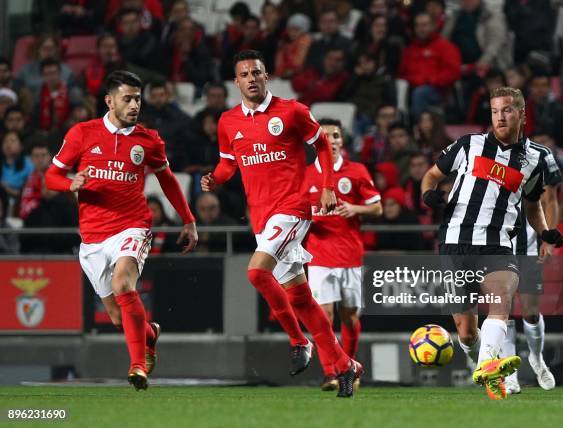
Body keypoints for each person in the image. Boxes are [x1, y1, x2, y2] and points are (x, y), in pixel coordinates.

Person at [201, 50, 362, 397]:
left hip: (292, 208)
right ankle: (345, 364)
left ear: (266, 76)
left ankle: (297, 340)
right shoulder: (229, 122)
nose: (251, 79)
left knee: (257, 273)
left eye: (256, 73)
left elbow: (321, 144)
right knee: (302, 299)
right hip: (260, 216)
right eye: (244, 74)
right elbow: (229, 163)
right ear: (236, 82)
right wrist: (214, 179)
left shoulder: (292, 111)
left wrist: (328, 187)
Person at [45, 70, 198, 391]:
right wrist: (69, 183)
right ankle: (150, 335)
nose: (134, 105)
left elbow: (167, 179)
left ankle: (137, 365)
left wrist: (188, 219)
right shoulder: (82, 134)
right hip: (93, 237)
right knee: (117, 317)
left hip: (133, 226)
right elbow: (51, 176)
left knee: (123, 282)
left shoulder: (149, 140)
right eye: (127, 99)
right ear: (109, 101)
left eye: (138, 99)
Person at [421, 86, 563, 400]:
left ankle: (489, 364)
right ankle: (480, 359)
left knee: (502, 300)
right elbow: (431, 175)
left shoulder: (537, 158)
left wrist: (544, 232)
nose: (500, 117)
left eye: (507, 110)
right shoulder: (469, 145)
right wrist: (428, 193)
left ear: (522, 114)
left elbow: (531, 203)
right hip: (455, 241)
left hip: (498, 242)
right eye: (495, 111)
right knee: (467, 332)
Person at [303, 118, 382, 391]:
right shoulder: (304, 175)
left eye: (335, 135)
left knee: (349, 317)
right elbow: (296, 211)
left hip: (350, 254)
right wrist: (310, 216)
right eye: (325, 136)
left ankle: (348, 368)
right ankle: (329, 373)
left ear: (341, 140)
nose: (331, 140)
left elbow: (377, 207)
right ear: (317, 143)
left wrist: (355, 209)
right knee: (324, 316)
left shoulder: (356, 170)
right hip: (319, 255)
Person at [502, 133, 563, 395]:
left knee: (529, 310)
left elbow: (549, 200)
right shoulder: (485, 150)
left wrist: (546, 237)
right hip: (496, 241)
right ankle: (510, 373)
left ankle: (536, 358)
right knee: (501, 309)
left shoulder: (541, 154)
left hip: (526, 243)